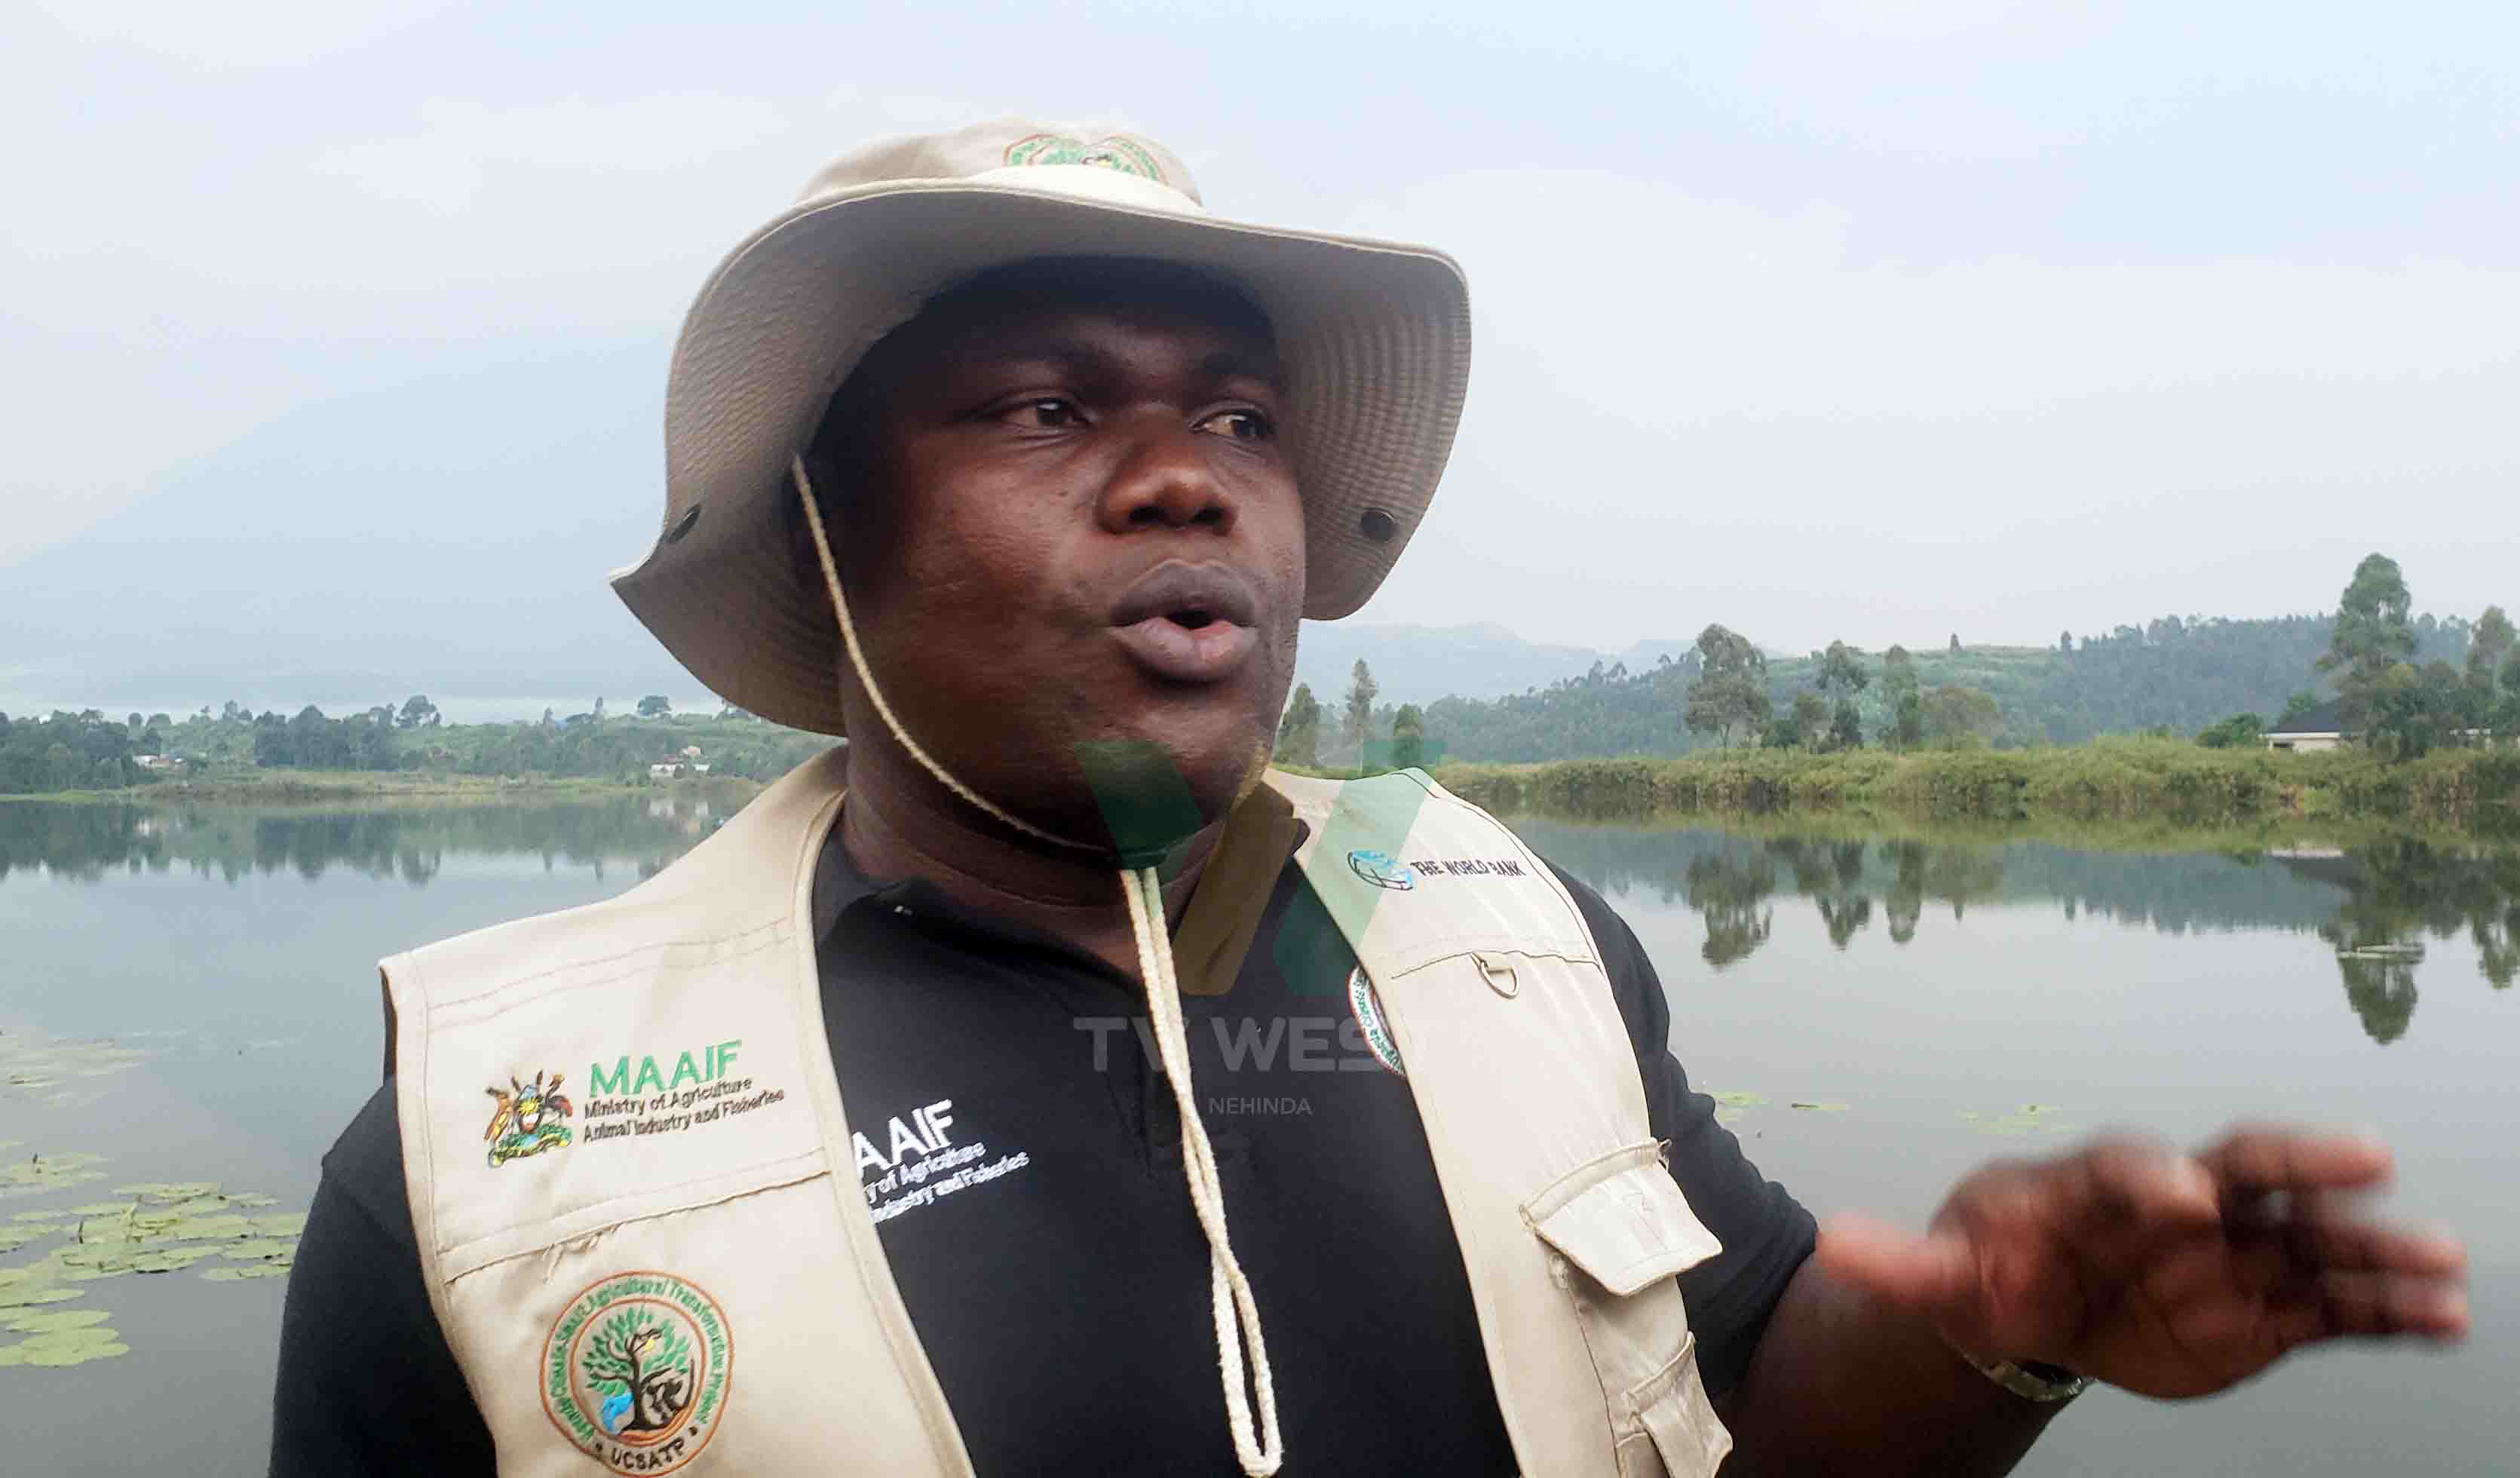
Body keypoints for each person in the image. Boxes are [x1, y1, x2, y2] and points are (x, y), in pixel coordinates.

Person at [269, 120, 2466, 1477]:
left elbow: (1754, 1407)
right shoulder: (498, 1143)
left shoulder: (1498, 920)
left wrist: (1990, 1319)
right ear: (825, 535)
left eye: (1240, 416)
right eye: (1043, 409)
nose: (1187, 476)